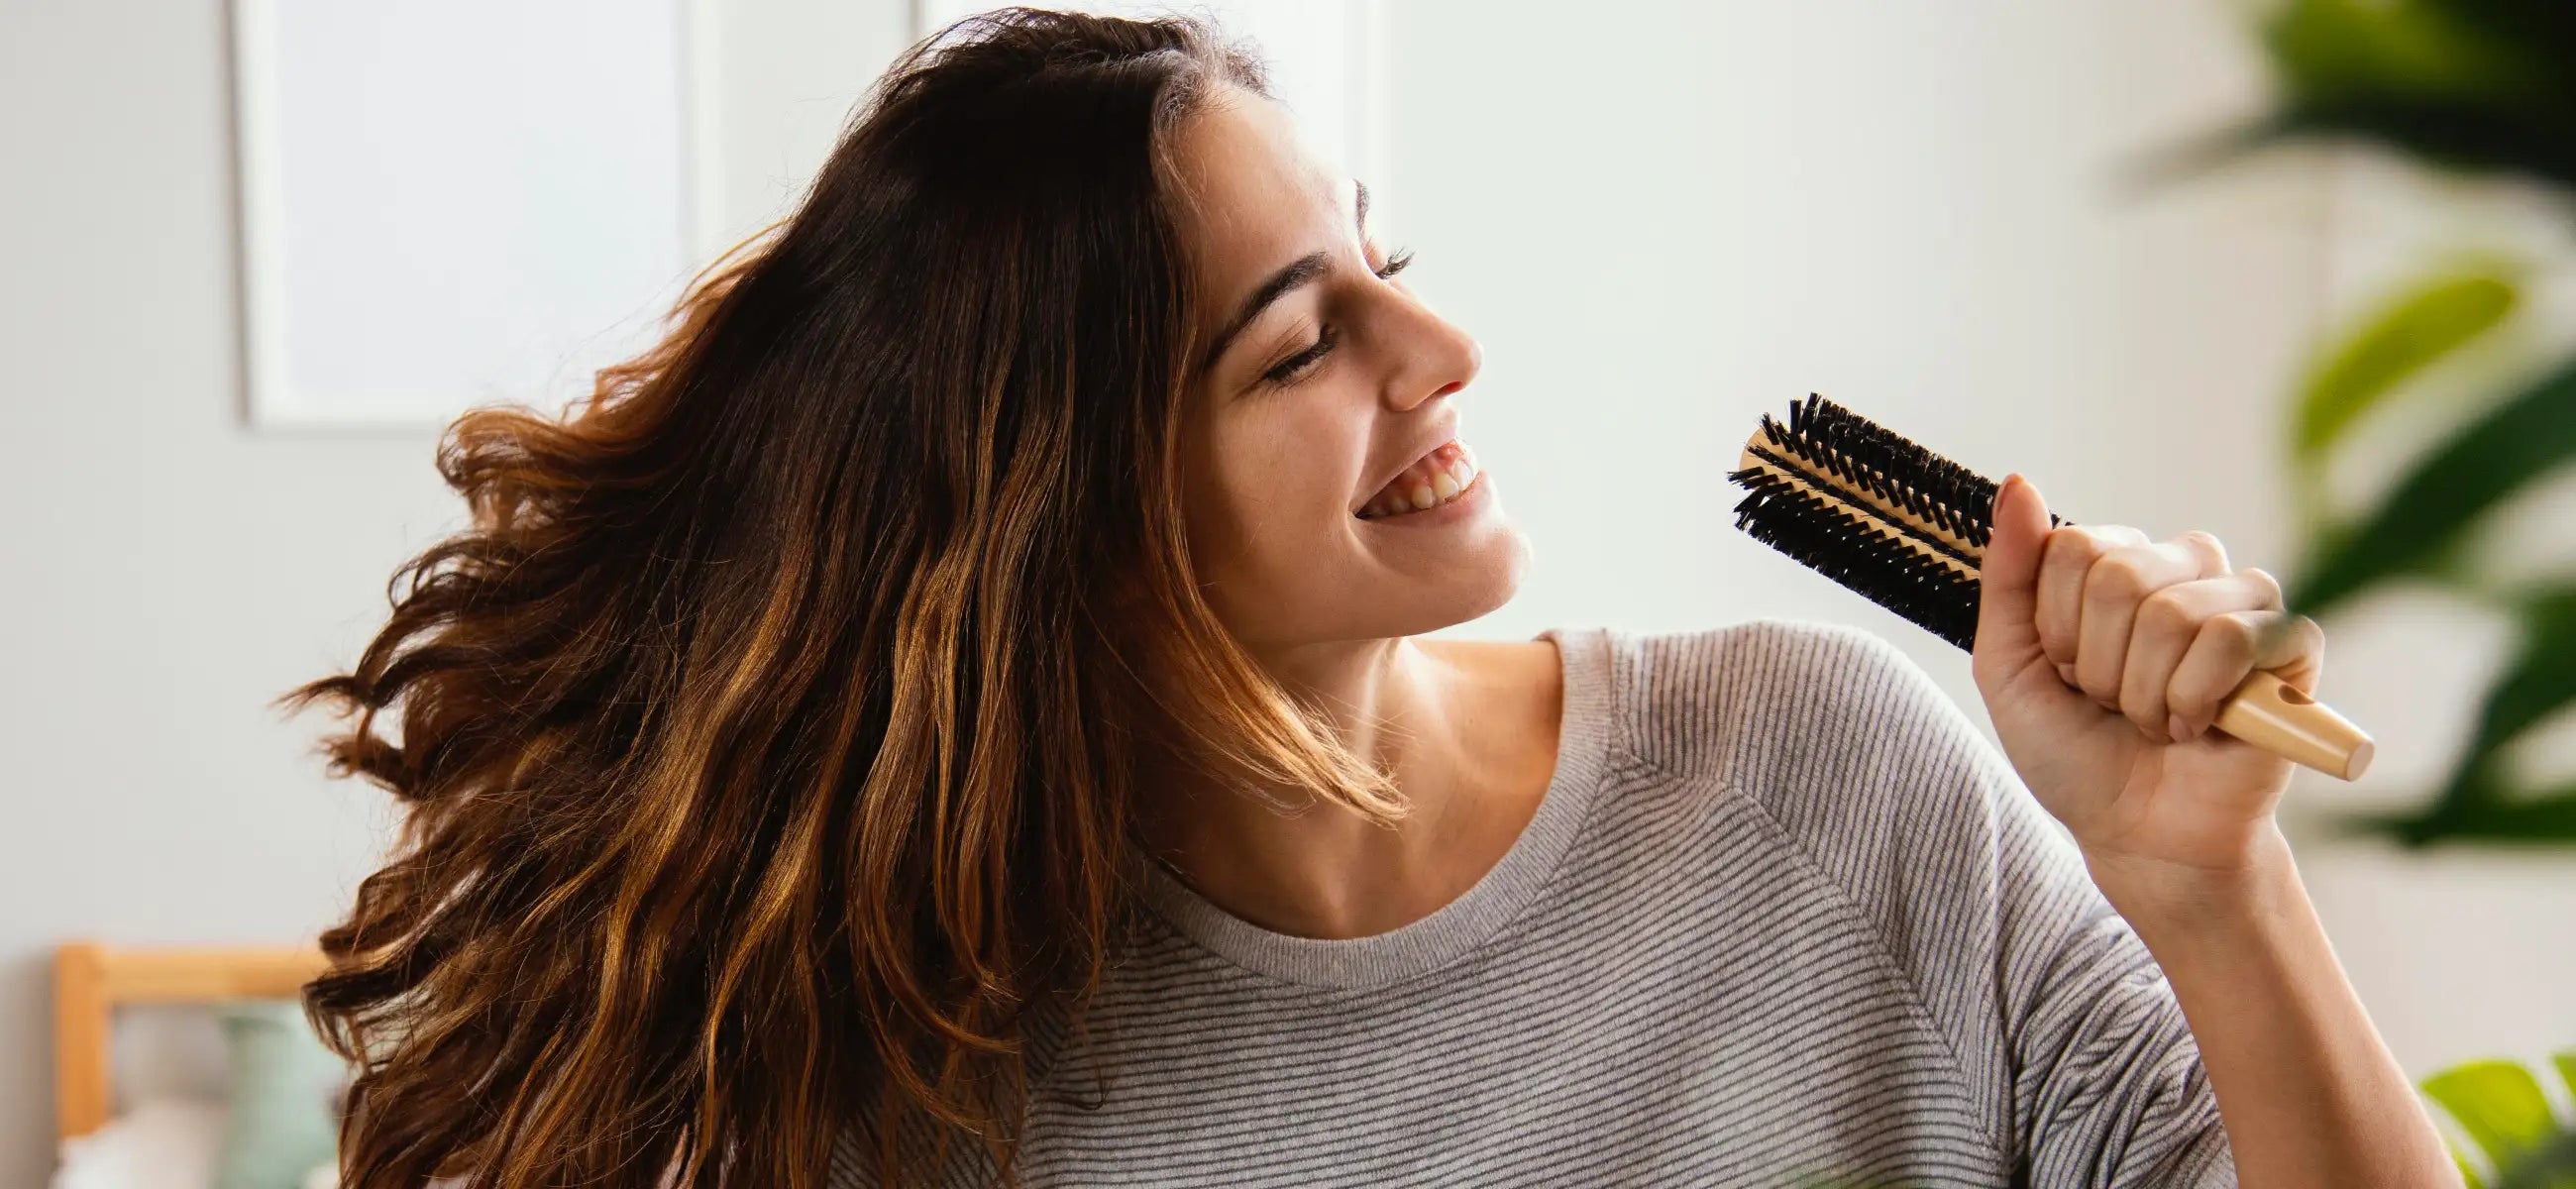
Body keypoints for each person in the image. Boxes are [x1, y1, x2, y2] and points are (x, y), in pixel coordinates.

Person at [276, 8, 2457, 1187]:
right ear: (1068, 523)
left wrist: (2205, 888)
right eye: (1299, 345)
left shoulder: (1823, 770)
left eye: (1380, 262)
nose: (1439, 359)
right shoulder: (936, 1077)